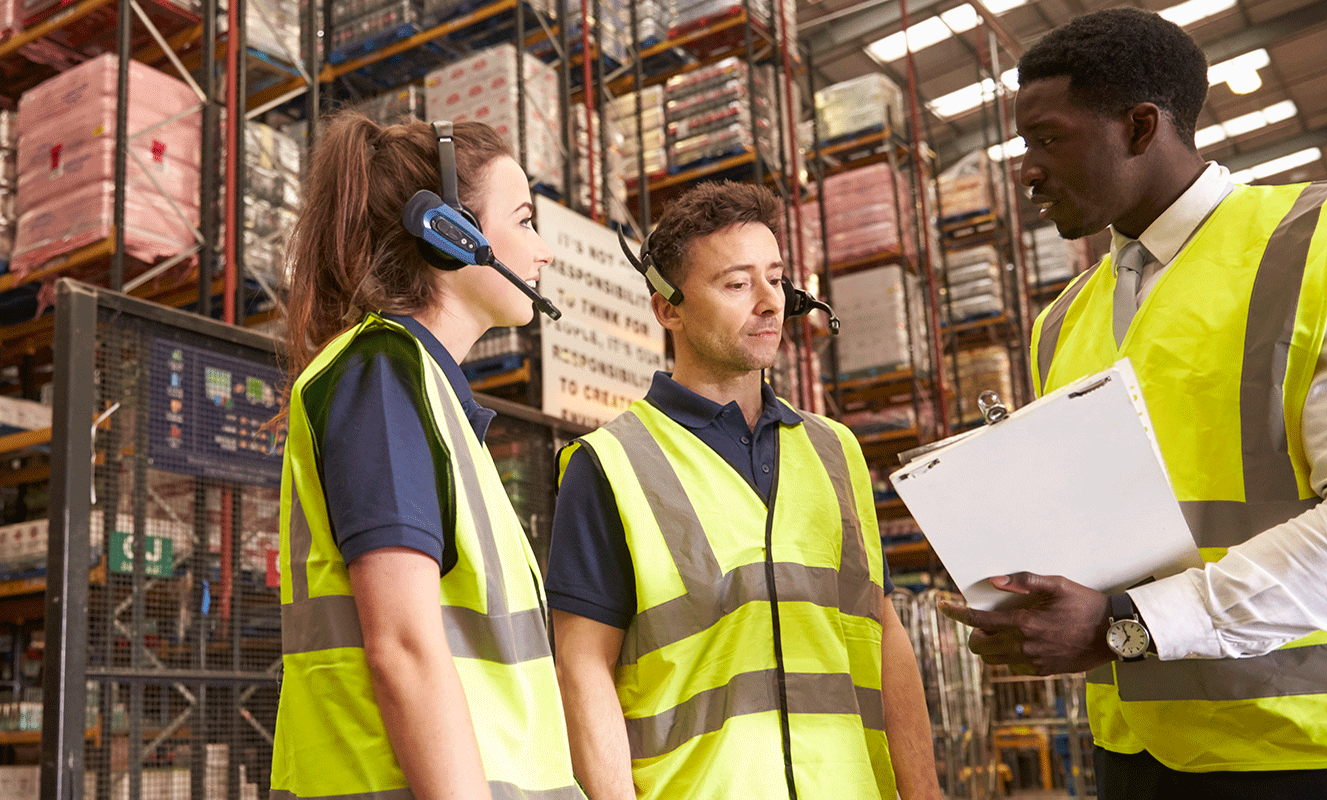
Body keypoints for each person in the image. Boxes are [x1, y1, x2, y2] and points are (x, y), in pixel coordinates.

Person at [938, 8, 1327, 798]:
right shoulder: (1064, 321)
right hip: (1141, 757)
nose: (1028, 171)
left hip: (1323, 757)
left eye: (1048, 140)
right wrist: (1036, 606)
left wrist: (1130, 623)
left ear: (1141, 127)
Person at [546, 181, 944, 800]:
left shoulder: (836, 451)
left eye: (776, 277)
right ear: (667, 308)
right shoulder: (609, 465)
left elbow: (883, 632)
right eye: (736, 284)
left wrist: (923, 792)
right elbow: (581, 668)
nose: (769, 303)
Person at [269, 112, 583, 800]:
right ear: (450, 234)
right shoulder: (382, 375)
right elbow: (403, 650)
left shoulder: (425, 390)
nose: (544, 251)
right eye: (525, 219)